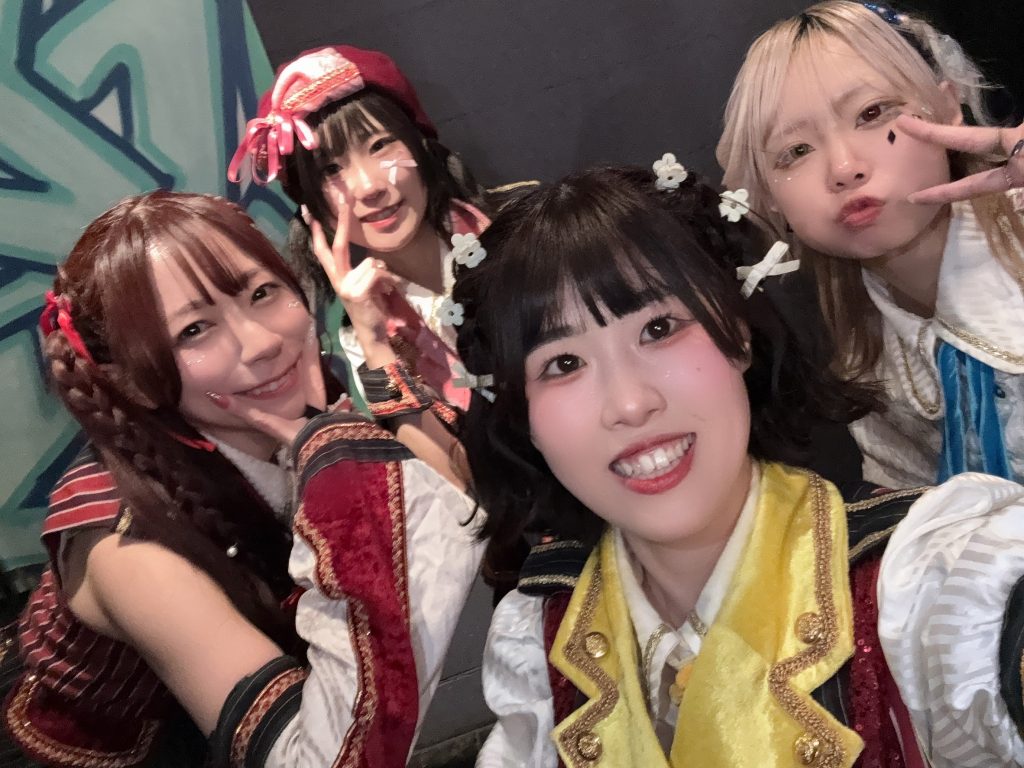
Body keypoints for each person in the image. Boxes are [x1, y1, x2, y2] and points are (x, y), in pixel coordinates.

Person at [453, 163, 1024, 767]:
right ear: (525, 418)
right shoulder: (542, 636)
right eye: (563, 364)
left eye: (658, 328)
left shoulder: (923, 584)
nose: (629, 403)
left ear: (739, 334)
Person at [0, 190, 482, 767]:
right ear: (130, 381)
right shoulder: (127, 551)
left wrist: (377, 347)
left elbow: (461, 512)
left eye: (261, 293)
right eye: (194, 330)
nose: (263, 343)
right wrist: (346, 477)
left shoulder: (280, 402)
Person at [717, 0, 1024, 487]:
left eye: (872, 113)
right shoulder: (861, 360)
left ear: (948, 108)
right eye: (796, 151)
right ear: (768, 198)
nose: (843, 168)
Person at [229, 44, 530, 412]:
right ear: (311, 210)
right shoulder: (358, 335)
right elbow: (421, 445)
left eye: (380, 145)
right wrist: (373, 343)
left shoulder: (526, 228)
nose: (369, 187)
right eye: (330, 169)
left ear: (421, 144)